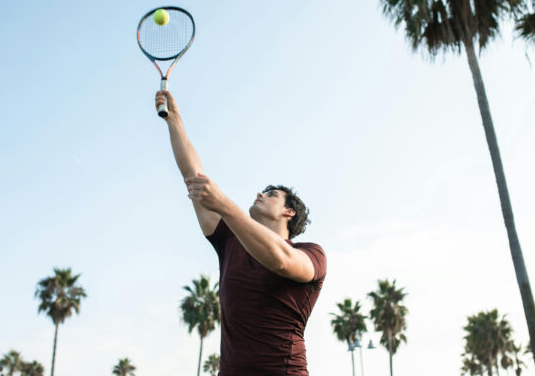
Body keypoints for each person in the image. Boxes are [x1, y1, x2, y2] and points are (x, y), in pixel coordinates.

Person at [155, 90, 327, 376]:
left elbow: (281, 260)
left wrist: (225, 205)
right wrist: (175, 120)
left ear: (289, 212)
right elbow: (193, 176)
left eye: (271, 194)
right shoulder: (229, 241)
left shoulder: (311, 254)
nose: (260, 193)